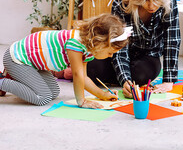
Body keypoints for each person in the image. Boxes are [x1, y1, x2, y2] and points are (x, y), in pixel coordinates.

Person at [0, 14, 130, 109]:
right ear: (100, 42)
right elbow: (77, 75)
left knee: (53, 92)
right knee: (43, 98)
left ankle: (13, 76)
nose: (110, 56)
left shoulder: (89, 49)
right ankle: (2, 82)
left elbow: (84, 78)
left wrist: (102, 94)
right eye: (109, 52)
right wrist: (82, 101)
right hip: (16, 58)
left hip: (32, 64)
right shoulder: (76, 43)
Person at [87, 0, 181, 98]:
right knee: (92, 66)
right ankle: (115, 76)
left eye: (156, 0)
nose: (152, 6)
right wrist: (125, 80)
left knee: (142, 74)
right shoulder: (120, 4)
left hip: (148, 57)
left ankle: (116, 76)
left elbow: (172, 39)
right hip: (123, 53)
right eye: (146, 0)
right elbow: (119, 47)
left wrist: (169, 80)